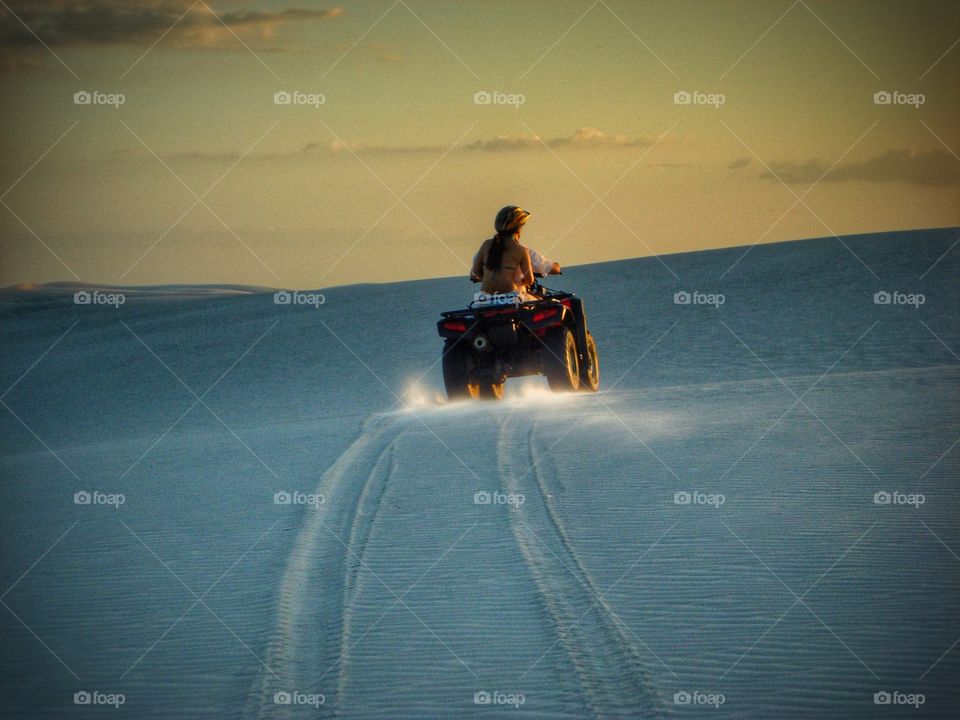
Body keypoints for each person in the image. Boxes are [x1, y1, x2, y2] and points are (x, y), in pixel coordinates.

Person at [469, 206, 560, 298]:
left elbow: (474, 274)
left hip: (484, 300)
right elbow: (530, 281)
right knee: (542, 301)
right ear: (519, 228)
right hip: (511, 298)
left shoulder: (486, 245)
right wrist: (519, 282)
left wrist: (488, 280)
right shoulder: (521, 250)